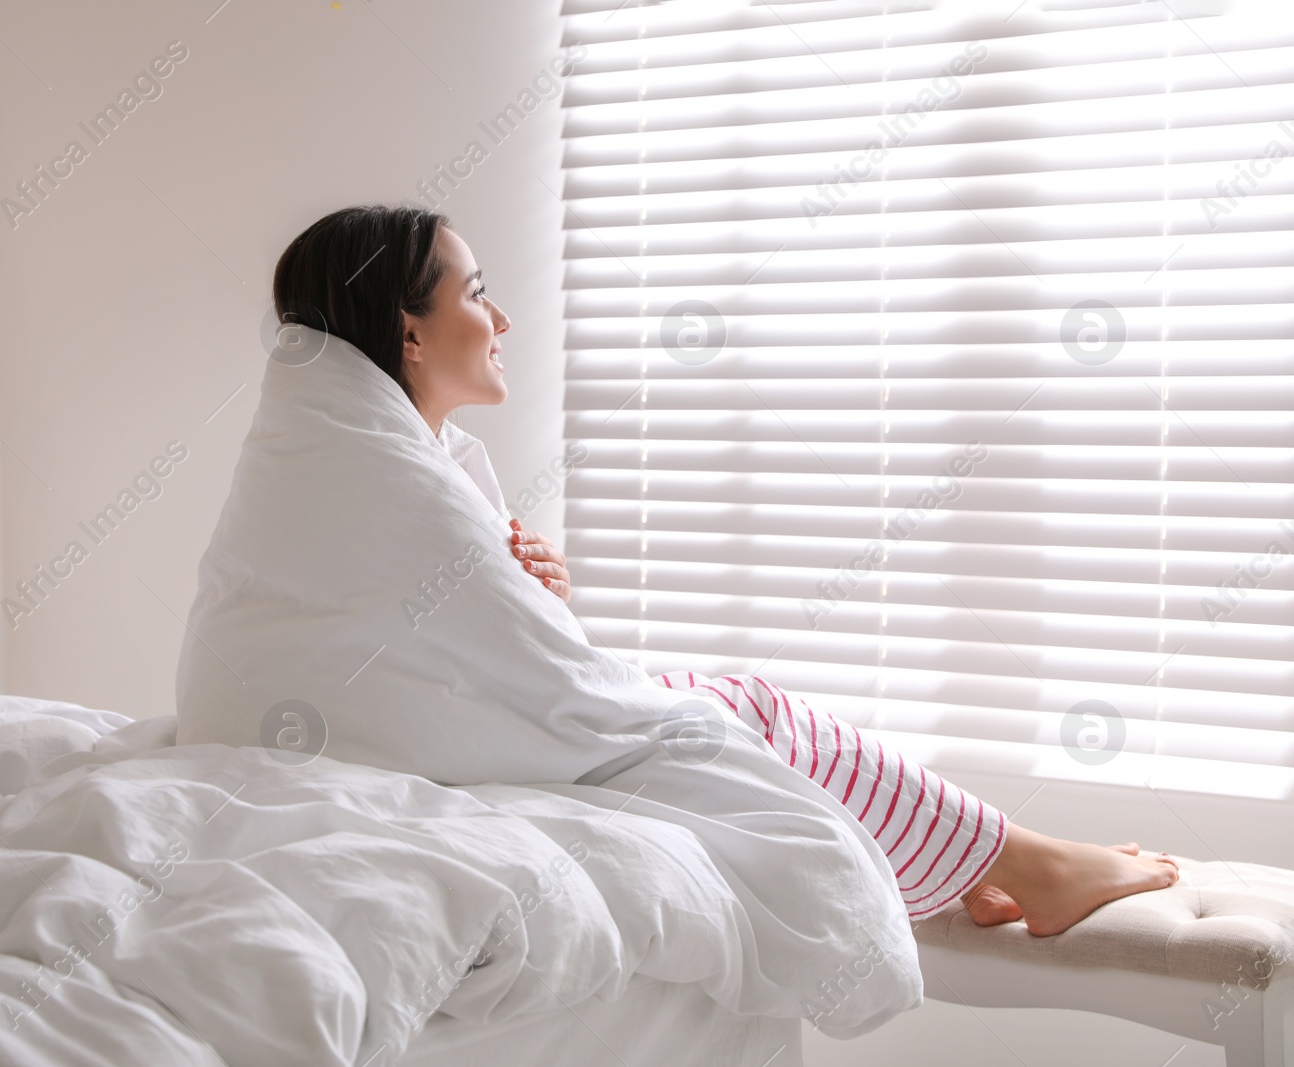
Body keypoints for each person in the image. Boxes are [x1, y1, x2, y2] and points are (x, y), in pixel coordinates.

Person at [266, 203, 1180, 937]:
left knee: (736, 710)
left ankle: (979, 865)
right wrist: (524, 616)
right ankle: (1034, 867)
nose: (502, 318)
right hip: (453, 756)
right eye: (476, 294)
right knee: (742, 712)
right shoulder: (394, 470)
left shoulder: (413, 456)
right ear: (410, 335)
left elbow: (435, 640)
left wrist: (535, 600)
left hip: (459, 732)